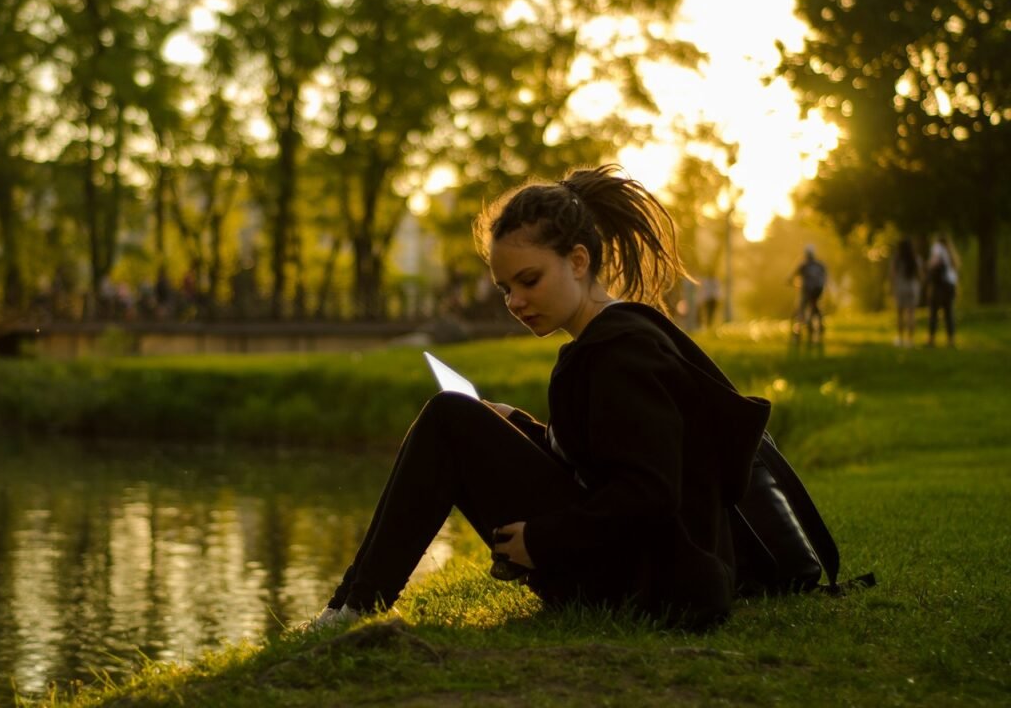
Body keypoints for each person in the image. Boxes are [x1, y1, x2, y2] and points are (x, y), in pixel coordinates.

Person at [305, 165, 769, 633]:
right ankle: (350, 603)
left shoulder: (620, 352)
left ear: (578, 261)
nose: (515, 302)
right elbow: (605, 463)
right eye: (506, 288)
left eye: (530, 280)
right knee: (459, 418)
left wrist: (543, 540)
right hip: (637, 571)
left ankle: (355, 606)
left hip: (656, 588)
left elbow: (651, 493)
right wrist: (522, 428)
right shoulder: (609, 340)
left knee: (449, 418)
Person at [926, 235, 959, 348]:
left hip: (939, 285)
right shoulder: (950, 252)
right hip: (950, 286)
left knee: (934, 312)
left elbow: (933, 263)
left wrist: (929, 267)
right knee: (949, 313)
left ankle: (931, 339)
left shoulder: (937, 247)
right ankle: (951, 340)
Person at [888, 239, 922, 347]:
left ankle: (900, 338)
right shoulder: (915, 258)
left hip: (900, 287)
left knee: (900, 315)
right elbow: (920, 274)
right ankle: (910, 340)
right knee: (911, 314)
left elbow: (892, 274)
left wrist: (892, 286)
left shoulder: (897, 259)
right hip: (912, 287)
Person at [791, 246, 827, 343]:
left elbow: (793, 275)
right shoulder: (819, 264)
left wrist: (789, 281)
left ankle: (798, 328)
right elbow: (825, 276)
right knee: (816, 305)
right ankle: (821, 323)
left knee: (801, 307)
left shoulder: (804, 265)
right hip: (818, 290)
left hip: (807, 290)